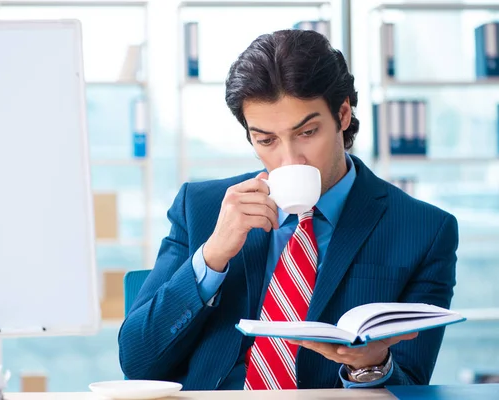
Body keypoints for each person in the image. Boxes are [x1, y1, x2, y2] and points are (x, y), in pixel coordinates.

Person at [118, 29, 458, 390]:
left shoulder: (424, 230)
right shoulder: (201, 208)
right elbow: (138, 362)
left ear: (343, 114)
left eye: (308, 132)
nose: (289, 159)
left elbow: (412, 386)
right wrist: (213, 256)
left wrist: (371, 364)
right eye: (266, 140)